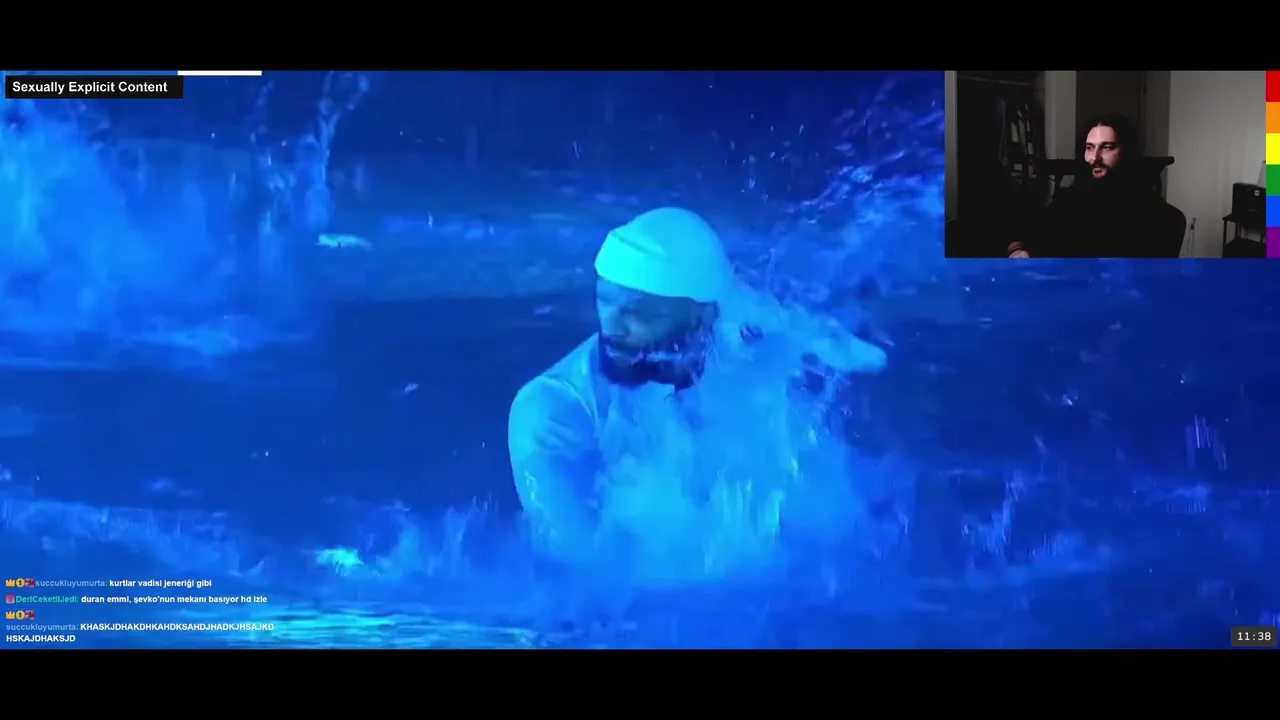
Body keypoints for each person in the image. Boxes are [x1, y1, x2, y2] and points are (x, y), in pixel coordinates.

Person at [507, 207, 887, 561]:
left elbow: (850, 352)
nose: (612, 326)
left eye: (640, 315)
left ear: (703, 316)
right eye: (605, 301)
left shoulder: (731, 332)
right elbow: (582, 568)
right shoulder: (551, 411)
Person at [1008, 113, 1185, 258]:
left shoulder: (1158, 213)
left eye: (1106, 147)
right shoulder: (1068, 202)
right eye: (1090, 148)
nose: (1095, 158)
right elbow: (1031, 234)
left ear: (1126, 151)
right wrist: (1018, 249)